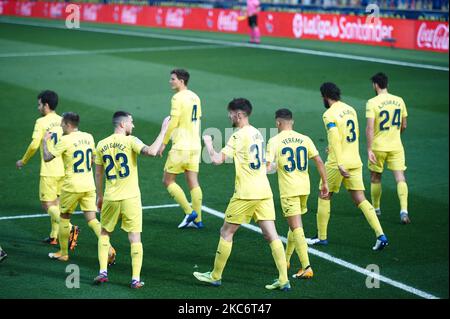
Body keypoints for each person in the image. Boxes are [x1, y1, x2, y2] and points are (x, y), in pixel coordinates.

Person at [194, 98, 290, 291]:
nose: (228, 116)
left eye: (230, 113)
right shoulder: (257, 133)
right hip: (264, 191)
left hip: (246, 193)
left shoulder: (238, 136)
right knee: (271, 234)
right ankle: (283, 279)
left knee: (226, 232)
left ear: (238, 115)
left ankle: (215, 276)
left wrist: (208, 143)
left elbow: (217, 160)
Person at [94, 111, 170, 289]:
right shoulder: (131, 141)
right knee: (135, 238)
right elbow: (151, 151)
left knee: (105, 234)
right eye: (131, 122)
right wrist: (163, 130)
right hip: (131, 198)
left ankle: (103, 272)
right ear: (122, 124)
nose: (133, 126)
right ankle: (135, 279)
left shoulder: (101, 144)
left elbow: (98, 172)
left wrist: (99, 195)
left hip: (111, 197)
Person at [309, 83, 389, 251]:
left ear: (325, 96)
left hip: (338, 162)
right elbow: (351, 135)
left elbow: (336, 137)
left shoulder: (329, 114)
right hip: (355, 160)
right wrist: (332, 147)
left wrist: (338, 161)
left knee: (324, 194)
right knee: (360, 198)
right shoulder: (351, 109)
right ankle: (381, 235)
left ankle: (321, 237)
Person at [43, 112, 115, 262]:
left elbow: (47, 157)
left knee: (64, 218)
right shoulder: (88, 137)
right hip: (88, 185)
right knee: (92, 220)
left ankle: (63, 253)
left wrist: (45, 142)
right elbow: (94, 158)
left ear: (68, 125)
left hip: (71, 186)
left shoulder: (65, 140)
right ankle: (109, 248)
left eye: (62, 123)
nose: (61, 126)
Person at [266, 108, 328, 279]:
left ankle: (306, 266)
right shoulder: (304, 138)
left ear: (278, 123)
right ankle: (286, 260)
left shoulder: (274, 141)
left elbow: (268, 166)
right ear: (292, 122)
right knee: (294, 224)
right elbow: (319, 160)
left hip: (289, 190)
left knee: (296, 227)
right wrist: (325, 182)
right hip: (304, 188)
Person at [16, 90, 66, 245]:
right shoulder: (63, 120)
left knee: (47, 205)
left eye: (39, 104)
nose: (38, 108)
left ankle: (69, 228)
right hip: (63, 170)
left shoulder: (41, 122)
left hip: (49, 171)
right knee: (56, 204)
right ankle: (54, 236)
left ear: (46, 105)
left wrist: (23, 161)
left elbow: (33, 145)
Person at [158, 69, 204, 229]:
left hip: (181, 147)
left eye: (173, 79)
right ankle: (198, 220)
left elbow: (173, 122)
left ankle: (189, 211)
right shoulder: (195, 97)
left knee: (168, 180)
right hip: (195, 146)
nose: (170, 81)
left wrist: (163, 143)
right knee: (193, 182)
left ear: (181, 81)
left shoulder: (177, 98)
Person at [366, 72, 409, 224]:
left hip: (378, 147)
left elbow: (370, 128)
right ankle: (404, 211)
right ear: (387, 85)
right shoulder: (399, 100)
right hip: (396, 146)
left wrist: (369, 148)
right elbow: (404, 125)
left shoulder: (372, 102)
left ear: (375, 85)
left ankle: (376, 210)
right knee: (400, 178)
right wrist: (395, 135)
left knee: (375, 177)